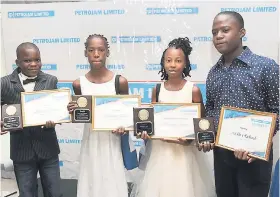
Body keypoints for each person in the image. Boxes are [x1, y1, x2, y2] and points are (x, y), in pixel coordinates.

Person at [206, 11, 279, 197]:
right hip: (222, 156)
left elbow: (277, 110)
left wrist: (256, 144)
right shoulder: (213, 73)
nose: (219, 36)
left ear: (241, 32)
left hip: (253, 159)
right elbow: (211, 109)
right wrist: (206, 135)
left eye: (225, 30)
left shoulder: (266, 67)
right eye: (215, 32)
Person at [131, 37, 216, 197]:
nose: (172, 64)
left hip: (185, 153)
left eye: (178, 60)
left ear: (185, 64)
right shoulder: (157, 89)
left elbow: (202, 123)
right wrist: (145, 132)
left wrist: (190, 139)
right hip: (160, 152)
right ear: (163, 63)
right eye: (168, 60)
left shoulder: (193, 90)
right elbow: (151, 121)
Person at [67, 34, 138, 197]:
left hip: (112, 140)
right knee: (91, 179)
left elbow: (126, 114)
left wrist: (124, 127)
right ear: (86, 53)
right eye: (91, 50)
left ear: (107, 52)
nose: (96, 54)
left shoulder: (119, 81)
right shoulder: (78, 84)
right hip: (91, 140)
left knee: (112, 179)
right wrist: (72, 110)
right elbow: (80, 115)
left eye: (100, 50)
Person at [1, 42, 62, 197]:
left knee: (54, 192)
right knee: (27, 193)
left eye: (37, 59)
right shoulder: (4, 83)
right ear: (18, 62)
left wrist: (55, 118)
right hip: (21, 150)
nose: (34, 64)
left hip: (48, 148)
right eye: (28, 60)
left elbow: (56, 108)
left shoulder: (51, 80)